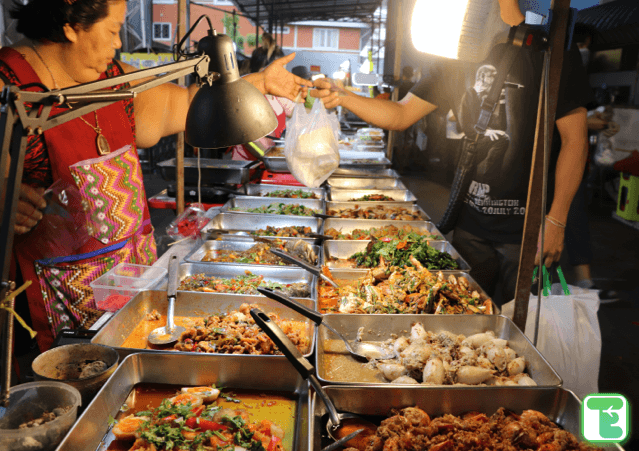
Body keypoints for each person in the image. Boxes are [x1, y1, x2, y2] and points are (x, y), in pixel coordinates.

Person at [0, 0, 311, 351]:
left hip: (133, 289)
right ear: (71, 23)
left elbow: (188, 104)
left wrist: (259, 81)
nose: (119, 43)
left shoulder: (115, 80)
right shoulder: (10, 84)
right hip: (53, 304)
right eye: (114, 30)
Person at [311, 0, 591, 306]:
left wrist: (556, 221)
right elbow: (400, 115)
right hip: (470, 225)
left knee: (524, 328)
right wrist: (343, 97)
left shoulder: (548, 47)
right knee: (463, 315)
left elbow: (575, 140)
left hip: (527, 230)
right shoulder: (454, 53)